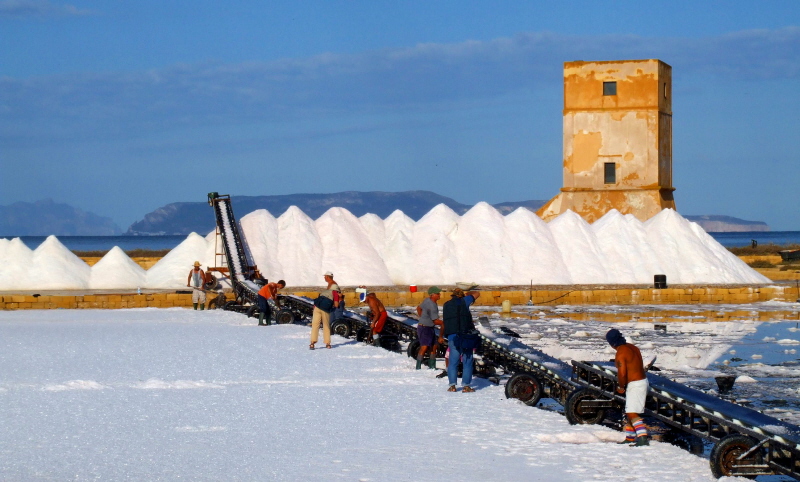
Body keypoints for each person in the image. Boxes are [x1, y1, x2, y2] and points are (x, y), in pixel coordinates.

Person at [606, 328, 651, 446]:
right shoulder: (632, 347)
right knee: (630, 411)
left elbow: (622, 373)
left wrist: (621, 386)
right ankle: (630, 437)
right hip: (642, 381)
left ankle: (642, 438)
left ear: (611, 343)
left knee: (632, 413)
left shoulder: (621, 353)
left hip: (636, 385)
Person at [442, 288, 476, 392]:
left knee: (453, 361)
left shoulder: (446, 305)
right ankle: (466, 386)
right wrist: (468, 294)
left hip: (452, 336)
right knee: (467, 361)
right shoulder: (465, 301)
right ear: (462, 296)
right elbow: (477, 293)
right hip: (465, 336)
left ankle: (452, 386)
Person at [415, 286, 442, 369]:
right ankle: (418, 366)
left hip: (430, 327)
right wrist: (444, 323)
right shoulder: (432, 306)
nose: (439, 295)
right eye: (437, 294)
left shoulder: (427, 300)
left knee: (434, 346)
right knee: (424, 346)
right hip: (424, 328)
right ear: (432, 295)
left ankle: (432, 366)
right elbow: (435, 321)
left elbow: (419, 308)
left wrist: (422, 317)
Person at [310, 272, 339, 350]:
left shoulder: (334, 285)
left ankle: (312, 343)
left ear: (327, 277)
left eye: (325, 277)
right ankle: (327, 343)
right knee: (326, 325)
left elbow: (336, 295)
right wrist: (335, 306)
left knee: (315, 324)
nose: (324, 278)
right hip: (324, 308)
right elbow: (335, 297)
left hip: (318, 306)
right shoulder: (332, 285)